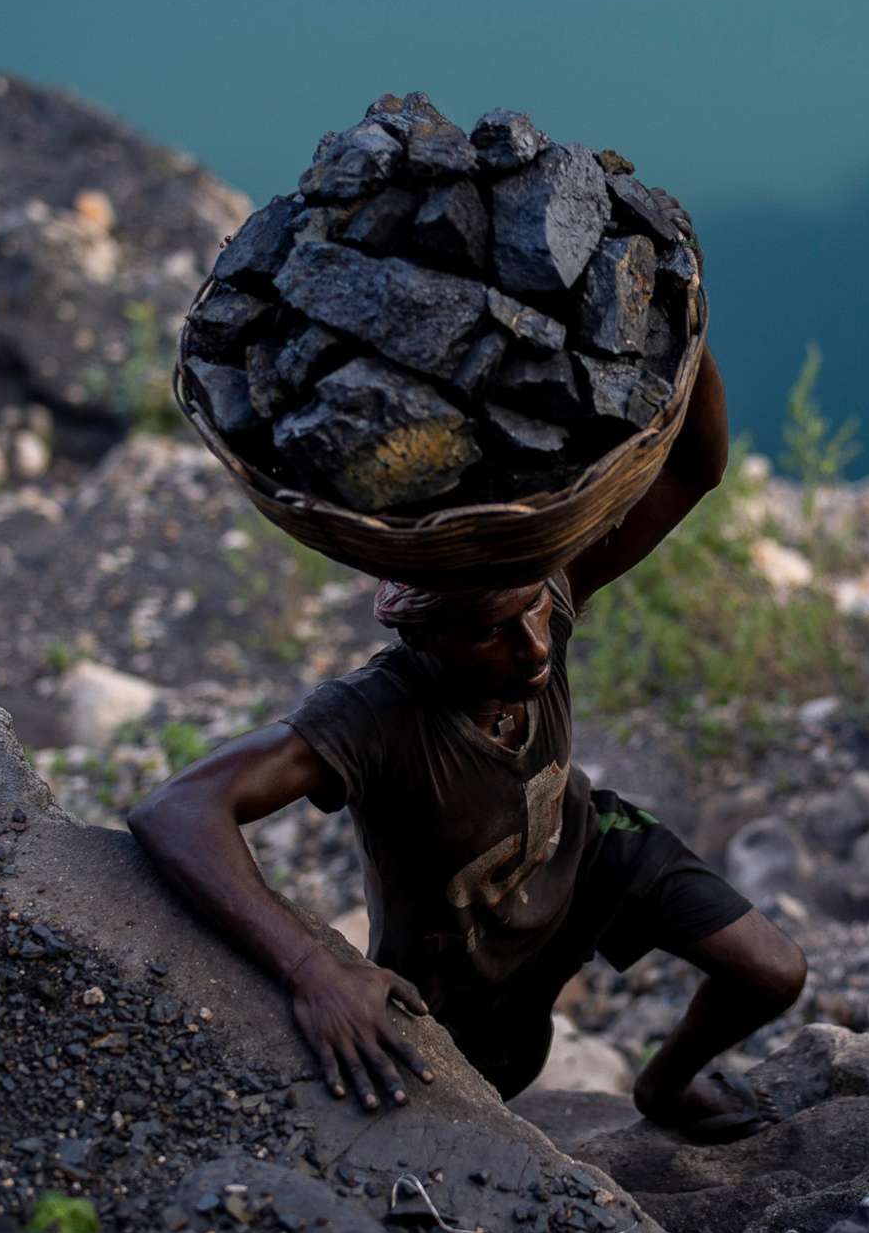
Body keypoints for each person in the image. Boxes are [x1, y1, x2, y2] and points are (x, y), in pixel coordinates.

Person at [128, 344, 806, 1141]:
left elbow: (695, 468)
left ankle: (665, 1084)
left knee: (771, 971)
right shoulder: (377, 712)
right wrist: (314, 968)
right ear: (423, 635)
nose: (533, 647)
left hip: (588, 854)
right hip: (465, 959)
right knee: (482, 1097)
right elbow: (179, 807)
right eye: (488, 631)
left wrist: (678, 332)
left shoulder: (542, 595)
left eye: (532, 611)